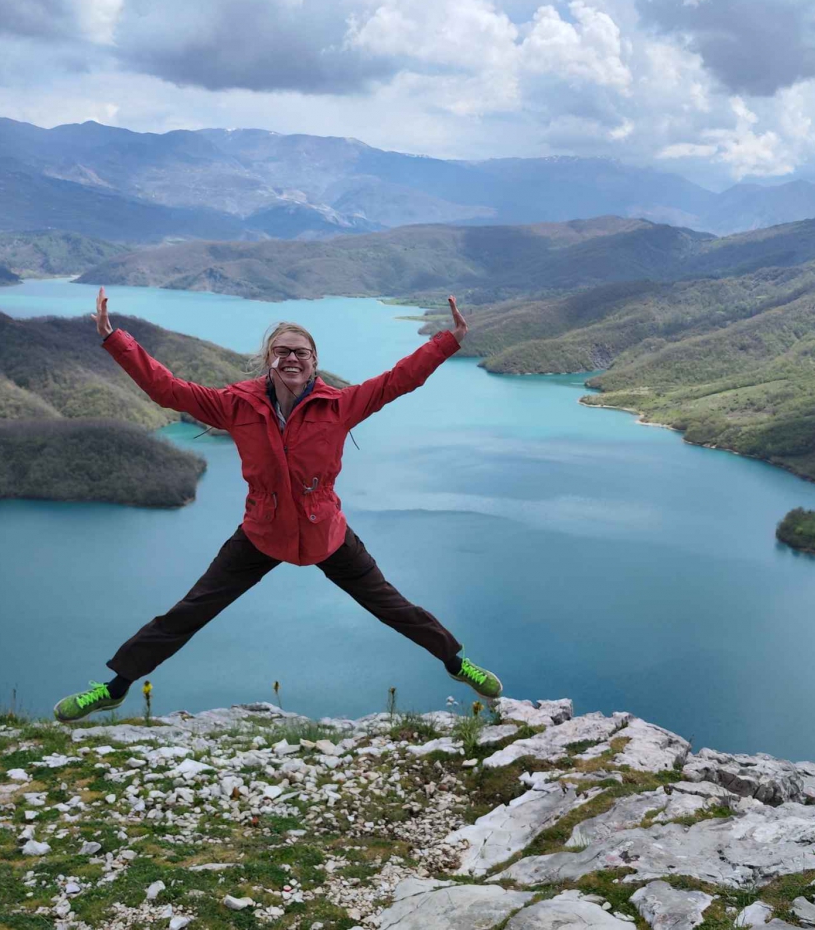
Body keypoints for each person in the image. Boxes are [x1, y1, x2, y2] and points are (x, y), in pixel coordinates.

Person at [52, 288, 502, 722]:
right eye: (282, 350)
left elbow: (399, 380)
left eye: (300, 352)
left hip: (327, 534)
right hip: (262, 535)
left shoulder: (340, 406)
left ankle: (456, 662)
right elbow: (167, 389)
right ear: (269, 359)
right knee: (190, 611)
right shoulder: (236, 406)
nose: (291, 357)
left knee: (392, 606)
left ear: (314, 362)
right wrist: (115, 338)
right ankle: (114, 688)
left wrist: (449, 340)